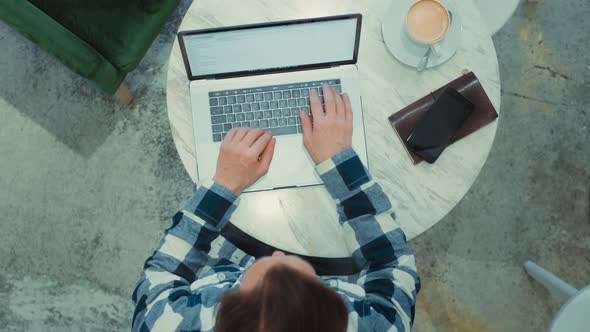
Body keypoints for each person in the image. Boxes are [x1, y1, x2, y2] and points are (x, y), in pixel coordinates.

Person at [131, 84, 421, 331]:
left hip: (221, 258)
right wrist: (339, 160)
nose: (277, 254)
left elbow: (162, 273)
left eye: (259, 272)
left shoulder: (167, 323)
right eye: (310, 278)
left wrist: (224, 185)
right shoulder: (382, 324)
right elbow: (391, 262)